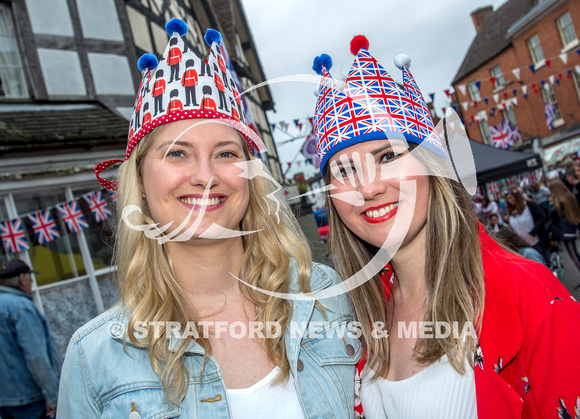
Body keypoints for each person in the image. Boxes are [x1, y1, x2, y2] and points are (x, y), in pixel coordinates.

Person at [57, 20, 358, 418]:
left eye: (226, 153)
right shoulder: (95, 359)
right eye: (177, 153)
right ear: (141, 181)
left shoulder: (326, 298)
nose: (206, 176)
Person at [311, 35, 580, 418]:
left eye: (387, 155)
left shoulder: (528, 293)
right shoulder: (356, 309)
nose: (368, 187)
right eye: (345, 170)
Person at [0, 259, 62, 419]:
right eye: (30, 277)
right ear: (22, 278)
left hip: (5, 401)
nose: (32, 282)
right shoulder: (21, 307)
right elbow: (36, 357)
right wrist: (54, 398)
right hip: (30, 400)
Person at [503, 188, 549, 260]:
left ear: (516, 196)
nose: (510, 200)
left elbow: (542, 217)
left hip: (536, 242)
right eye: (508, 199)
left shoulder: (529, 205)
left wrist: (532, 233)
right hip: (523, 246)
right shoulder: (511, 211)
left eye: (511, 197)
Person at [548, 179, 580, 275]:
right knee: (574, 253)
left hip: (566, 230)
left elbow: (552, 214)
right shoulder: (569, 196)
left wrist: (551, 203)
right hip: (571, 226)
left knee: (573, 255)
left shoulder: (560, 202)